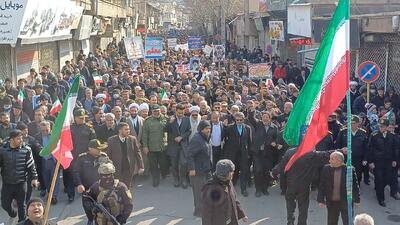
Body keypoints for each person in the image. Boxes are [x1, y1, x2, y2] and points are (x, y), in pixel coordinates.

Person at [272, 147, 347, 225]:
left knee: (290, 204)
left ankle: (290, 220)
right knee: (303, 207)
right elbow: (326, 154)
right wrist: (341, 151)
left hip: (291, 184)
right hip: (304, 186)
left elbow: (282, 165)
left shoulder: (290, 152)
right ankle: (302, 223)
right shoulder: (311, 154)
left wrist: (273, 172)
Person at [0, 129, 39, 223]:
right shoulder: (2, 150)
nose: (21, 140)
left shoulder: (26, 150)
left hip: (21, 182)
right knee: (5, 204)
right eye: (18, 139)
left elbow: (31, 165)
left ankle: (22, 222)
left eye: (21, 138)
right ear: (11, 140)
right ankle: (13, 213)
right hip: (7, 183)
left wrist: (34, 178)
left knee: (22, 205)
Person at [73, 139, 111, 225]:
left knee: (104, 206)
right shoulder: (82, 158)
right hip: (87, 188)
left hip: (101, 187)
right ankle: (90, 219)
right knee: (87, 205)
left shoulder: (103, 156)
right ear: (90, 148)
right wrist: (79, 184)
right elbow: (76, 171)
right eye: (97, 149)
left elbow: (111, 169)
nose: (99, 150)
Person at [317, 152, 360, 225]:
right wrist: (320, 200)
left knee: (348, 222)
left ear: (339, 160)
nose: (329, 161)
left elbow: (355, 185)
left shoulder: (349, 169)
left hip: (346, 202)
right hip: (332, 203)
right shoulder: (326, 169)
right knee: (332, 222)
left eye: (332, 159)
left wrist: (357, 200)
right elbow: (322, 185)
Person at [201, 159, 248, 225]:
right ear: (225, 174)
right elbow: (207, 213)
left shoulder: (228, 182)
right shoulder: (210, 189)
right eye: (231, 172)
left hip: (231, 221)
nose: (233, 173)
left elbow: (234, 200)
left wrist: (242, 214)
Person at [368, 118, 400, 207]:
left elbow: (394, 149)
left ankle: (379, 188)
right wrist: (370, 161)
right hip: (378, 162)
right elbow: (370, 149)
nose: (381, 128)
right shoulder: (374, 135)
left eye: (383, 126)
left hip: (388, 161)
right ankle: (381, 199)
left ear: (387, 127)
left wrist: (394, 160)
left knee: (388, 178)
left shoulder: (391, 136)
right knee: (379, 179)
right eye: (380, 126)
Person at [186, 120, 212, 217]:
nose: (208, 130)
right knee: (198, 193)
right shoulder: (196, 139)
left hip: (205, 169)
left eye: (209, 128)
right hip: (197, 172)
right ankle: (199, 212)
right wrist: (192, 169)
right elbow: (190, 155)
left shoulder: (205, 137)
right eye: (206, 129)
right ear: (201, 129)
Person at [223, 112, 252, 197]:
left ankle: (243, 189)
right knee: (231, 171)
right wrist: (224, 126)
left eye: (241, 120)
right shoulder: (229, 128)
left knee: (244, 170)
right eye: (237, 120)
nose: (239, 121)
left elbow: (249, 141)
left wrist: (249, 153)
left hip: (243, 153)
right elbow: (224, 137)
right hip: (232, 153)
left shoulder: (247, 128)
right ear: (235, 120)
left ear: (243, 120)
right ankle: (229, 188)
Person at [107, 122, 144, 187]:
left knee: (127, 187)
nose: (128, 131)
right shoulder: (111, 140)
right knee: (117, 187)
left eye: (128, 129)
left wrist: (141, 166)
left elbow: (137, 153)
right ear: (120, 130)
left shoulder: (132, 139)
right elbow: (109, 155)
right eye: (126, 129)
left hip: (129, 168)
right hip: (117, 169)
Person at [141, 104, 168, 187]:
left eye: (158, 111)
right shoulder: (147, 121)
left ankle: (164, 174)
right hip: (151, 147)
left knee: (163, 163)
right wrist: (145, 146)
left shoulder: (166, 119)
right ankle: (155, 179)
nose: (157, 113)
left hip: (162, 146)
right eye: (155, 111)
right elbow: (144, 134)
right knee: (153, 165)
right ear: (151, 112)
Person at [166, 103, 191, 188]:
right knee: (174, 164)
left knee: (184, 163)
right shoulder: (171, 119)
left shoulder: (187, 119)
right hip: (173, 145)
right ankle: (176, 178)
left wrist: (181, 137)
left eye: (182, 113)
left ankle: (183, 179)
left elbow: (189, 131)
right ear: (175, 111)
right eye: (179, 113)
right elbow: (165, 130)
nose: (180, 115)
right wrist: (169, 123)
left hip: (183, 145)